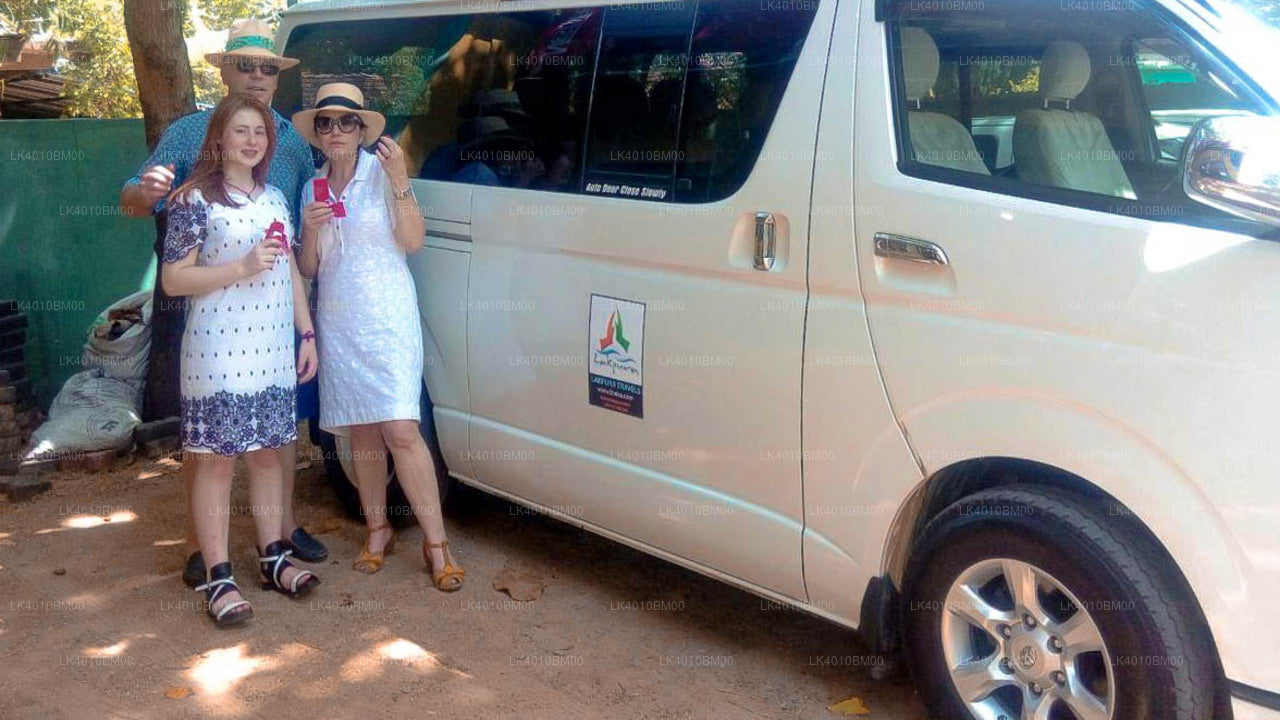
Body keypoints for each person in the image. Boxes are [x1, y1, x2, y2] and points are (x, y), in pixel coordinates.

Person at [119, 19, 328, 587]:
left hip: (271, 316)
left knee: (276, 433)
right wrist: (143, 192)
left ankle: (281, 533)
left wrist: (306, 322)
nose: (258, 75)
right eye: (246, 65)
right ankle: (201, 548)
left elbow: (294, 227)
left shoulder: (290, 142)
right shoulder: (190, 133)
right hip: (206, 309)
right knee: (208, 438)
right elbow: (134, 199)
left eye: (267, 68)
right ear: (225, 72)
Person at [293, 84, 464, 592]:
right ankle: (377, 529)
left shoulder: (383, 173)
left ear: (362, 130)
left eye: (346, 121)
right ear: (317, 133)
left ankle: (437, 543)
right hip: (338, 320)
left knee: (401, 428)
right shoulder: (312, 187)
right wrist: (309, 229)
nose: (336, 131)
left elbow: (413, 241)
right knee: (361, 430)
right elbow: (309, 268)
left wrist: (401, 181)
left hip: (387, 317)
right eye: (325, 122)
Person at [160, 93, 321, 627]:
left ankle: (273, 557)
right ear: (219, 138)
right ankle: (218, 577)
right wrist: (242, 266)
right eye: (241, 131)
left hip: (271, 347)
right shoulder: (193, 199)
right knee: (217, 460)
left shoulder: (274, 197)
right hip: (218, 348)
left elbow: (290, 268)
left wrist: (306, 333)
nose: (252, 141)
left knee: (270, 453)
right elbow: (174, 279)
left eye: (260, 132)